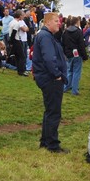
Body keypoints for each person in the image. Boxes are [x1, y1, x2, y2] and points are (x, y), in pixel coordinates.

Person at [32, 12, 69, 154]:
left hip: (47, 77)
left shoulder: (45, 36)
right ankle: (52, 145)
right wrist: (57, 75)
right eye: (55, 21)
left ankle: (45, 141)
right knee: (54, 112)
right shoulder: (46, 36)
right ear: (47, 23)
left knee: (49, 111)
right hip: (51, 79)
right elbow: (49, 58)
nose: (59, 23)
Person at [62, 16, 88, 95]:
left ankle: (66, 87)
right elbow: (81, 45)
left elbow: (63, 43)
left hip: (68, 54)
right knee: (76, 71)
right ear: (77, 22)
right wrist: (84, 56)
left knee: (70, 71)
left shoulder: (65, 32)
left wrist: (64, 53)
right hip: (77, 54)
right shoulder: (78, 31)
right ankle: (74, 90)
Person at [9, 10, 28, 76]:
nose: (23, 17)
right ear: (20, 16)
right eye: (22, 15)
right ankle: (21, 71)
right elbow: (13, 33)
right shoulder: (17, 23)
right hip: (16, 40)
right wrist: (12, 42)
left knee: (17, 56)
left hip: (13, 40)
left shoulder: (11, 22)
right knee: (22, 56)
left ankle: (19, 70)